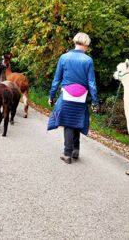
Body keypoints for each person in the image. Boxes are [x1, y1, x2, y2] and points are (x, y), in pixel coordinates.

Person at [47, 32, 98, 164]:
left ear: (75, 42)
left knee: (68, 123)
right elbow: (92, 83)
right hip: (82, 97)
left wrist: (51, 96)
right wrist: (95, 101)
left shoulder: (64, 57)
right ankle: (76, 150)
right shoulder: (88, 60)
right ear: (86, 44)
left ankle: (67, 154)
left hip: (67, 95)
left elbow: (56, 80)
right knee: (76, 121)